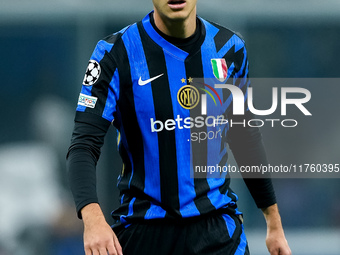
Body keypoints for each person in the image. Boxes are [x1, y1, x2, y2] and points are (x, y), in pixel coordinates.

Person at [67, 0, 292, 254]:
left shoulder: (229, 48)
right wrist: (93, 219)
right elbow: (83, 146)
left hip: (217, 232)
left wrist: (274, 223)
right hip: (145, 233)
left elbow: (245, 138)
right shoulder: (115, 53)